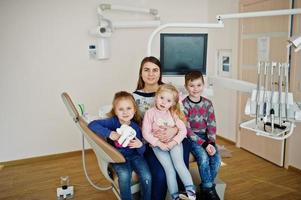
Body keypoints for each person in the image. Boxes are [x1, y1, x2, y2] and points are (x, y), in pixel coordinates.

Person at [132, 56, 191, 200]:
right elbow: (134, 126)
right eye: (146, 70)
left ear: (160, 73)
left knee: (179, 165)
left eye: (155, 70)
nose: (151, 74)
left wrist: (174, 130)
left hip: (176, 139)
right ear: (141, 73)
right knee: (160, 174)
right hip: (152, 143)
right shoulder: (134, 97)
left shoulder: (170, 92)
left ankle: (184, 195)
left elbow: (183, 121)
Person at [88, 91, 151, 200]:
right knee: (124, 176)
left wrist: (139, 145)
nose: (125, 112)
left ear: (134, 110)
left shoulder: (135, 127)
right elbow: (92, 124)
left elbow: (142, 151)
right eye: (121, 109)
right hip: (118, 157)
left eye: (128, 108)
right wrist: (109, 133)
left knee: (147, 176)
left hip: (135, 156)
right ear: (115, 111)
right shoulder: (113, 122)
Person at [142, 84, 196, 200]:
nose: (163, 102)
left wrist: (173, 142)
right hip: (158, 147)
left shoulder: (173, 113)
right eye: (161, 98)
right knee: (169, 170)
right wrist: (158, 143)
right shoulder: (150, 113)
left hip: (174, 144)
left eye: (168, 100)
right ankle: (175, 197)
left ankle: (191, 193)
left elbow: (183, 130)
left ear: (172, 103)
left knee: (179, 165)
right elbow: (145, 133)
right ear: (156, 97)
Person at [182, 71, 221, 200]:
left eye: (199, 85)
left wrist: (211, 142)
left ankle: (205, 186)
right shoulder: (184, 105)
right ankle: (209, 190)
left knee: (216, 159)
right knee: (203, 157)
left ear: (203, 85)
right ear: (186, 86)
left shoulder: (208, 103)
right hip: (192, 138)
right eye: (192, 86)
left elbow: (212, 124)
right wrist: (203, 144)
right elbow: (187, 130)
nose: (195, 89)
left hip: (207, 137)